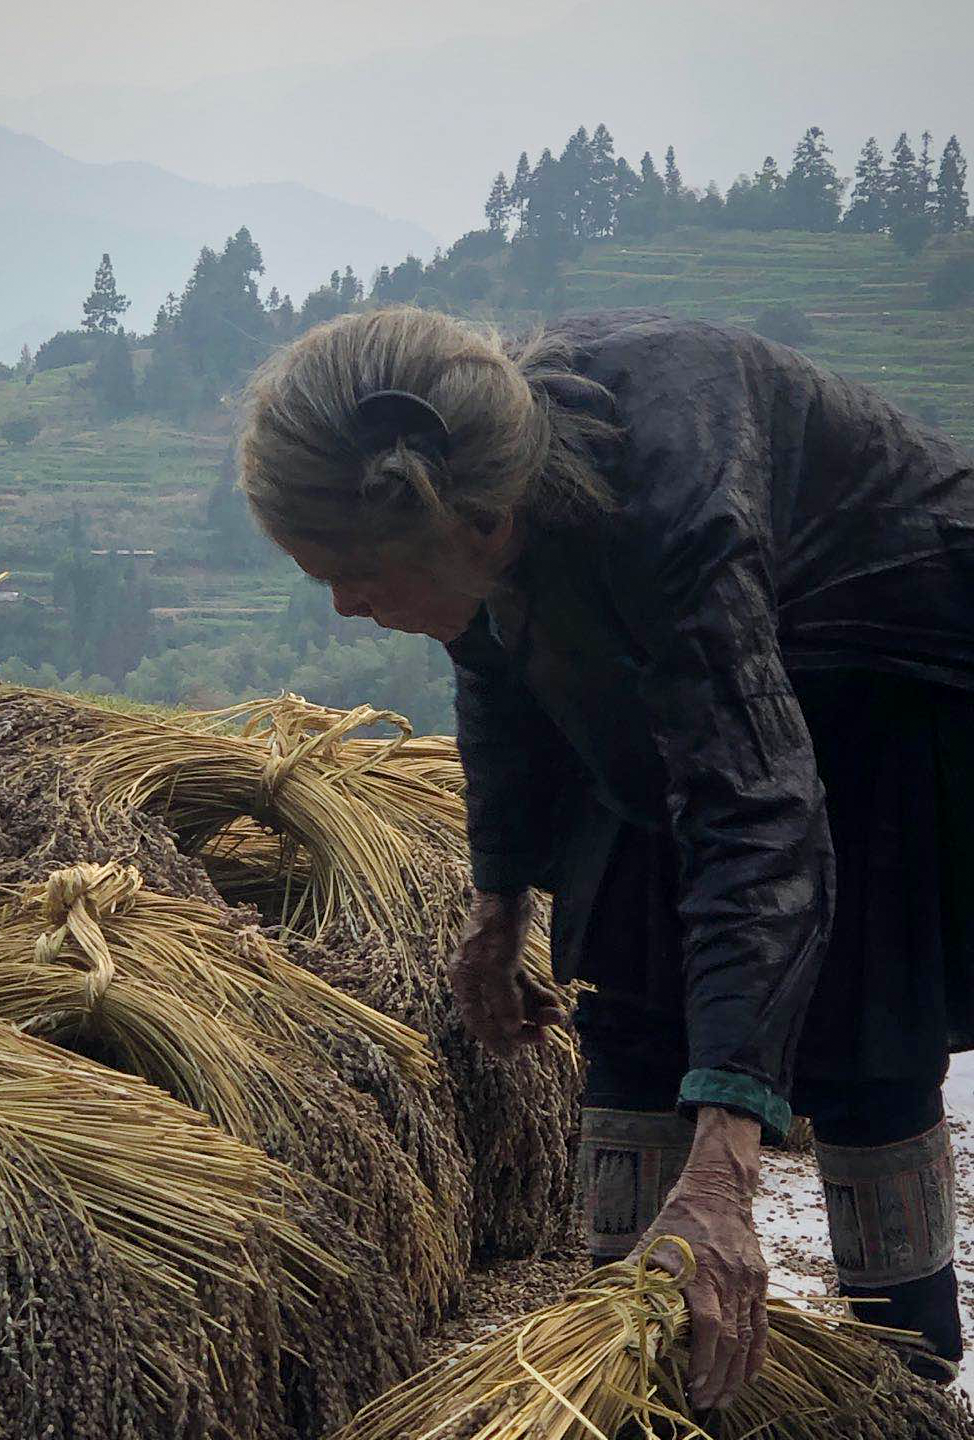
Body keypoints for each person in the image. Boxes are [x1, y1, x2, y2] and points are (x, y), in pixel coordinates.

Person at [240, 305, 973, 1409]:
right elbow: (489, 658)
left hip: (886, 682)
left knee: (862, 1025)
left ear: (479, 527)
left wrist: (727, 1167)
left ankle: (906, 1373)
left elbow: (758, 812)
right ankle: (632, 1358)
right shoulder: (481, 487)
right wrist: (500, 904)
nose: (346, 604)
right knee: (622, 978)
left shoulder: (676, 513)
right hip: (695, 672)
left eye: (357, 573)